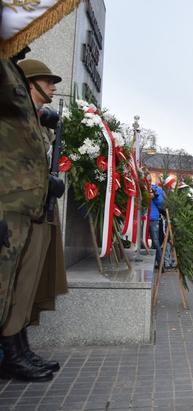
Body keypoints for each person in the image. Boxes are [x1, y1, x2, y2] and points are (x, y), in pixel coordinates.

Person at [0, 55, 58, 382]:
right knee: (7, 286)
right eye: (47, 80)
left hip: (28, 209)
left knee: (18, 286)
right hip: (10, 207)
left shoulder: (31, 114)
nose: (52, 86)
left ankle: (17, 349)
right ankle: (12, 353)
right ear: (30, 82)